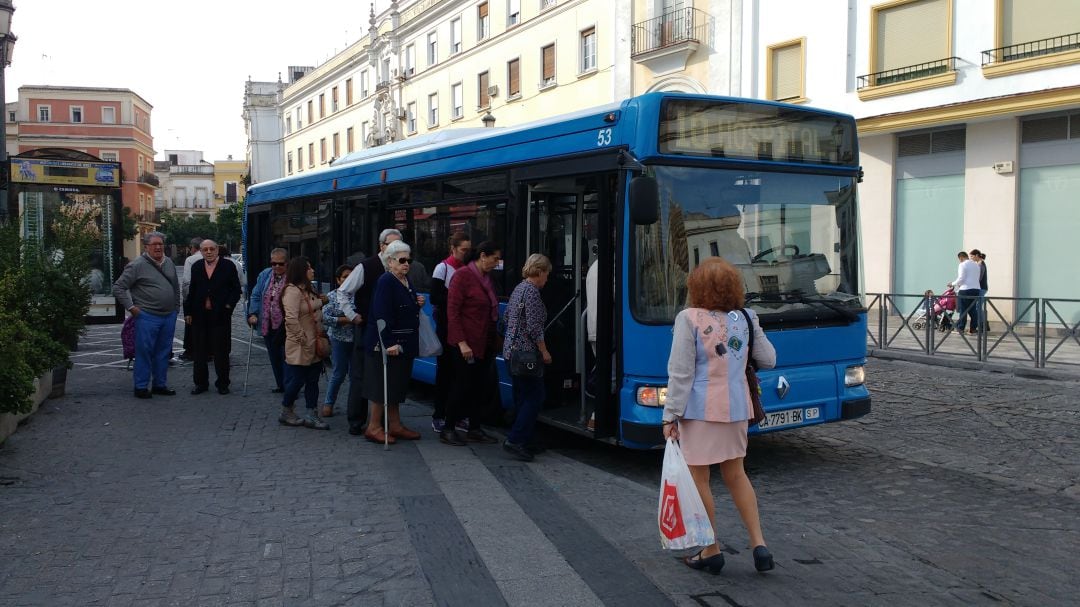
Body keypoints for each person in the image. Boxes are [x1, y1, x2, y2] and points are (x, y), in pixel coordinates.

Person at [661, 257, 777, 575]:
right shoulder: (747, 317)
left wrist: (669, 416)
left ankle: (711, 549)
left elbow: (681, 373)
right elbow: (768, 359)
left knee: (700, 479)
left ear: (697, 287)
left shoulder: (689, 318)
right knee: (737, 475)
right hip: (738, 409)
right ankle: (759, 544)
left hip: (700, 412)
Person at [338, 228, 402, 436]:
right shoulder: (366, 267)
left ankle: (381, 422)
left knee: (385, 375)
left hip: (391, 330)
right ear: (381, 247)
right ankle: (356, 420)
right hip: (367, 327)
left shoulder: (401, 266)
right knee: (360, 374)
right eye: (391, 245)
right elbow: (343, 291)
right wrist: (353, 315)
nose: (395, 249)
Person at [361, 240, 424, 444]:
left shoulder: (405, 280)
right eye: (402, 260)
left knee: (397, 384)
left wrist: (416, 301)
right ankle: (374, 426)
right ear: (390, 262)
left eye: (409, 260)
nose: (407, 264)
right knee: (382, 386)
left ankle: (395, 425)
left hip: (404, 340)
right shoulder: (386, 280)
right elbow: (381, 313)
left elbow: (403, 305)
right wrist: (388, 342)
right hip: (388, 343)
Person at [442, 241, 503, 446]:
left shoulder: (486, 278)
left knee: (480, 387)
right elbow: (453, 312)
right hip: (465, 343)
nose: (497, 263)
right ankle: (448, 428)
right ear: (483, 256)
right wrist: (461, 342)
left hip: (484, 342)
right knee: (461, 385)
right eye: (495, 259)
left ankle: (474, 428)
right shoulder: (462, 276)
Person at [112, 231, 181, 399]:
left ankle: (160, 384)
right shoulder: (137, 265)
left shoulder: (169, 263)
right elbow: (118, 287)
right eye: (154, 244)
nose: (158, 247)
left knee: (163, 352)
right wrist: (131, 308)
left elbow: (175, 286)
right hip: (147, 316)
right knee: (144, 352)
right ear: (146, 247)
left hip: (168, 315)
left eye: (160, 244)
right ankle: (141, 386)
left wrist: (176, 307)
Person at [502, 254, 553, 461]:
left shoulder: (518, 288)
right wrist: (544, 351)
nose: (547, 279)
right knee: (535, 396)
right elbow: (533, 327)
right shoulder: (531, 292)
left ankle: (525, 438)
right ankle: (515, 440)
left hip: (511, 352)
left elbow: (507, 318)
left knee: (522, 397)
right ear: (539, 272)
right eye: (547, 274)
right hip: (525, 355)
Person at [184, 239, 242, 395]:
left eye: (211, 249)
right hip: (199, 315)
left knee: (221, 351)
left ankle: (223, 383)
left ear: (217, 250)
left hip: (220, 315)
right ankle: (200, 384)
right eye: (205, 250)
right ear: (201, 252)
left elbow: (236, 290)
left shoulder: (228, 266)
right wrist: (188, 312)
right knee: (199, 352)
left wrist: (228, 306)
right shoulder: (196, 267)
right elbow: (192, 290)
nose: (208, 252)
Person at [280, 256, 329, 429]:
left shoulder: (308, 289)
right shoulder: (292, 291)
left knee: (313, 380)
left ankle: (311, 413)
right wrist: (302, 338)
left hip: (314, 342)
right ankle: (287, 410)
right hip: (300, 345)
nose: (313, 270)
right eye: (309, 268)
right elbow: (291, 319)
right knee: (297, 380)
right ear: (301, 270)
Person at [429, 232, 471, 433]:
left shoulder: (467, 268)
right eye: (463, 250)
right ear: (453, 249)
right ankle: (438, 415)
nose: (466, 254)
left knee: (460, 375)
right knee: (445, 372)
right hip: (446, 326)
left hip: (462, 327)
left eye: (468, 250)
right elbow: (434, 297)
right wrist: (456, 300)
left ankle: (457, 415)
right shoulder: (442, 268)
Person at [248, 248, 290, 393]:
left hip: (286, 325)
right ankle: (281, 384)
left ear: (287, 263)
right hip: (267, 322)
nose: (276, 267)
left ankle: (290, 386)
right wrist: (253, 313)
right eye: (273, 263)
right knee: (274, 356)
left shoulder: (292, 276)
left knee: (287, 356)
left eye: (280, 263)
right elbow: (256, 295)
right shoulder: (265, 274)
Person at [321, 264, 354, 417]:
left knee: (356, 375)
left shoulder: (359, 295)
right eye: (344, 277)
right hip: (339, 339)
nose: (348, 279)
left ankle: (354, 406)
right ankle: (329, 403)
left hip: (356, 340)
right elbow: (325, 318)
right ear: (338, 280)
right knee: (339, 372)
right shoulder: (333, 296)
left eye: (351, 276)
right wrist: (343, 320)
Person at [179, 237, 204, 360]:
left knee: (191, 325)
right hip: (210, 299)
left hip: (193, 297)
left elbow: (186, 282)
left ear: (193, 248)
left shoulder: (191, 259)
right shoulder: (214, 257)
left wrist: (186, 299)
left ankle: (190, 350)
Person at [947, 250, 981, 335]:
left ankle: (961, 328)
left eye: (959, 259)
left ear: (961, 257)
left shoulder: (962, 264)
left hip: (965, 290)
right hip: (976, 289)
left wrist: (952, 283)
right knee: (973, 310)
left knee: (963, 309)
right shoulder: (976, 265)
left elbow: (961, 278)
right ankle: (973, 329)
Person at [971, 249, 988, 332]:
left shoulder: (980, 265)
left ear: (977, 255)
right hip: (981, 288)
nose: (971, 258)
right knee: (978, 307)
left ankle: (982, 325)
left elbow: (979, 278)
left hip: (981, 288)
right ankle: (984, 324)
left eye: (972, 256)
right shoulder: (978, 264)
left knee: (978, 307)